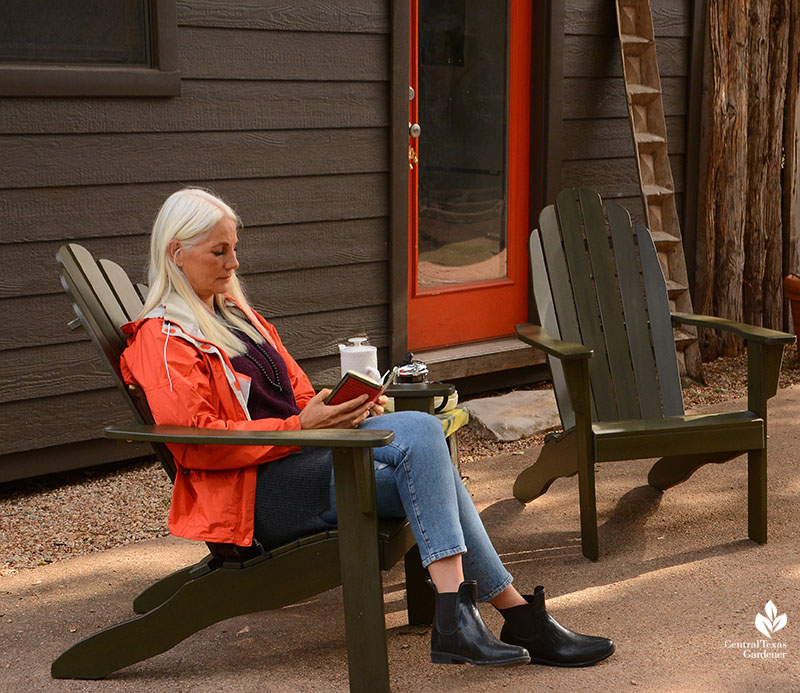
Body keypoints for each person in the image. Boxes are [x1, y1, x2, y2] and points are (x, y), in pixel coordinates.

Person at [120, 187, 615, 668]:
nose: (234, 264)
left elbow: (293, 393)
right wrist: (299, 427)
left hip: (309, 463)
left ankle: (497, 618)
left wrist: (338, 409)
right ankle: (492, 620)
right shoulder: (163, 341)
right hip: (258, 498)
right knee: (424, 438)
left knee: (426, 452)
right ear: (176, 252)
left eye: (235, 249)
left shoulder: (234, 315)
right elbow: (196, 445)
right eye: (220, 251)